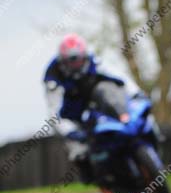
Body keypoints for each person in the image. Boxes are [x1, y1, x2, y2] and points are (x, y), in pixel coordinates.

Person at [43, 34, 127, 183]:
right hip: (71, 115)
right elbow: (54, 113)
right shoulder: (53, 77)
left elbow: (120, 78)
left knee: (108, 91)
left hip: (97, 106)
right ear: (63, 61)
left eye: (78, 59)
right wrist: (70, 131)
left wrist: (135, 94)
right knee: (78, 151)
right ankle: (91, 175)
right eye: (71, 60)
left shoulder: (95, 61)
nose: (76, 64)